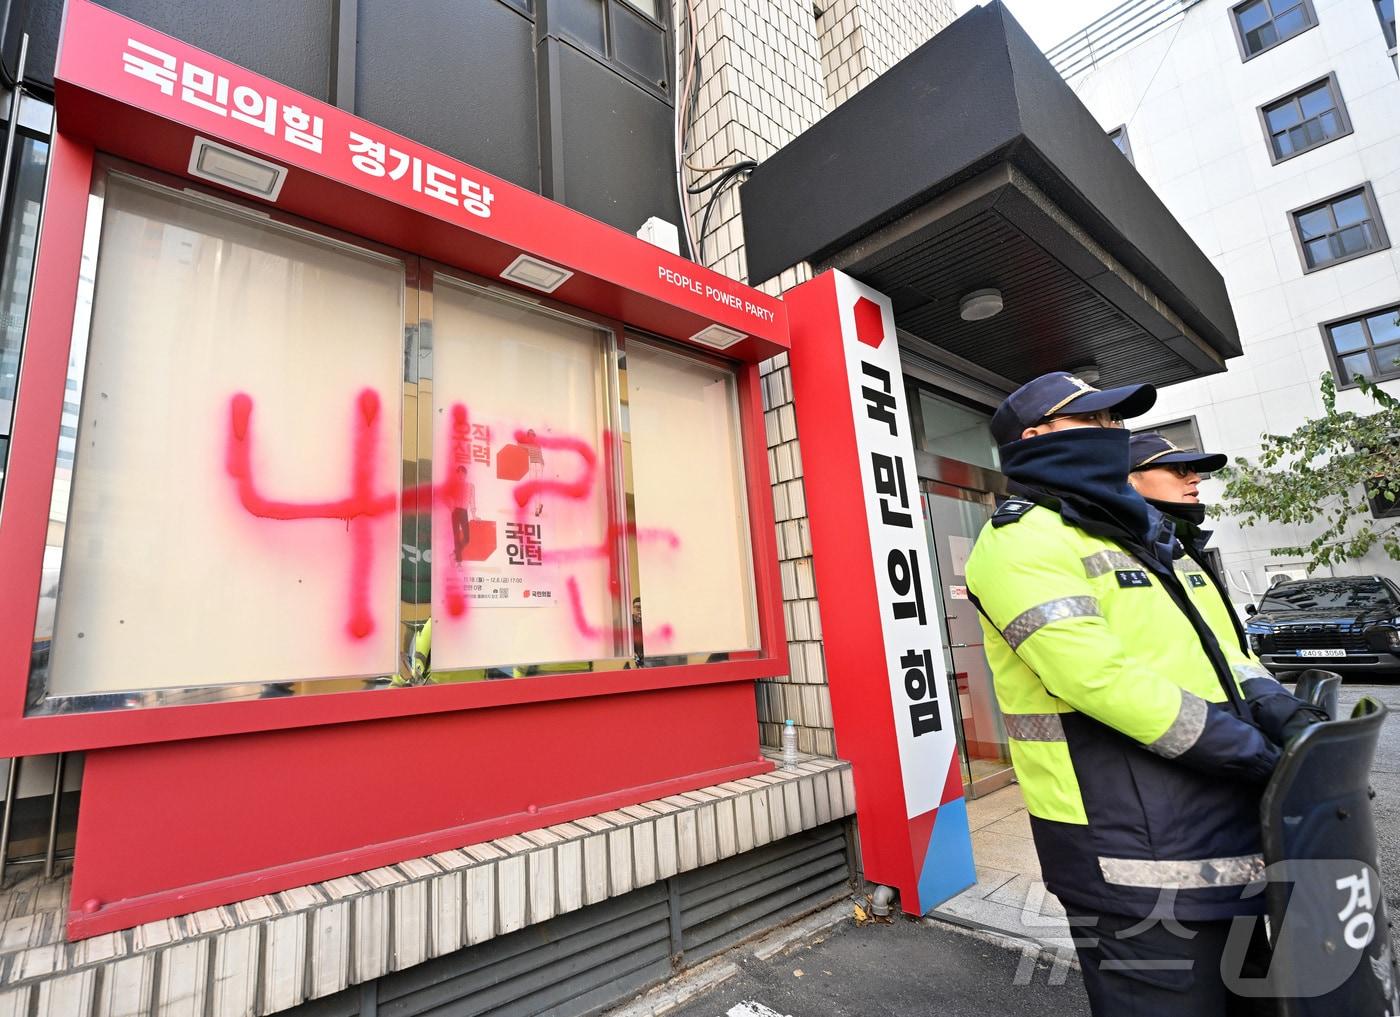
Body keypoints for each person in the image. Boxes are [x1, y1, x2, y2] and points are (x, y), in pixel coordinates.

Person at [964, 372, 1304, 1016]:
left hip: (1220, 824)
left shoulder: (1146, 537)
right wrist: (1255, 755)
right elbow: (1095, 677)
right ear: (1035, 438)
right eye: (1094, 422)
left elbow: (1226, 655)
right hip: (1124, 842)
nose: (1114, 435)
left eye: (1117, 423)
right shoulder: (1022, 540)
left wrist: (1285, 715)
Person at [1128, 432, 1325, 744]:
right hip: (1194, 742)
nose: (1195, 479)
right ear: (1130, 481)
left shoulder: (1180, 549)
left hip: (1229, 725)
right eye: (1179, 470)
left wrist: (1277, 707)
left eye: (1194, 470)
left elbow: (1228, 652)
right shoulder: (1128, 555)